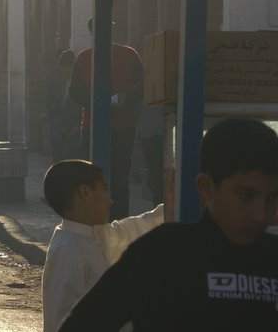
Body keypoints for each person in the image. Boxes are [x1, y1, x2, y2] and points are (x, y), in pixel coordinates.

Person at [60, 118, 278, 331]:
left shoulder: (272, 256)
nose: (260, 214)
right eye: (246, 195)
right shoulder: (162, 253)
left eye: (272, 198)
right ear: (206, 188)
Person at [41, 159, 167, 332]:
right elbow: (61, 322)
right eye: (104, 189)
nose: (110, 201)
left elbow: (138, 226)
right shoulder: (68, 251)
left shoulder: (95, 236)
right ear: (85, 193)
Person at [68, 18, 144, 219]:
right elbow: (75, 92)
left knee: (119, 179)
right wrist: (96, 102)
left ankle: (117, 220)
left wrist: (126, 97)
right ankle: (97, 219)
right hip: (94, 127)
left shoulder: (129, 55)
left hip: (122, 126)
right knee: (95, 179)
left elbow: (143, 87)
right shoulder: (84, 58)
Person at [43, 49, 76, 163]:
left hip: (74, 130)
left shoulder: (79, 83)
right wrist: (48, 115)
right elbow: (59, 102)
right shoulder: (66, 81)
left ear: (71, 66)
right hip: (65, 128)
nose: (62, 71)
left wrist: (77, 125)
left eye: (64, 67)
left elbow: (81, 105)